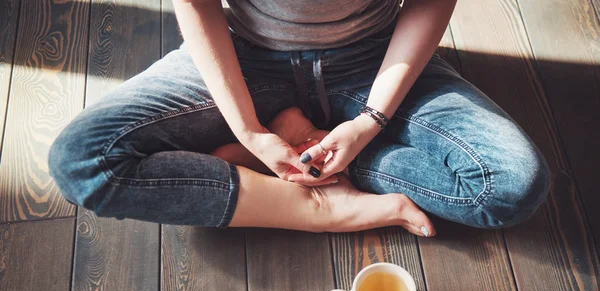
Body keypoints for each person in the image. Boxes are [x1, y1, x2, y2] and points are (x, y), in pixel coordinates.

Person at [48, 0, 551, 236]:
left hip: (373, 57)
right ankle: (322, 208)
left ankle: (303, 138)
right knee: (83, 160)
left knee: (510, 185)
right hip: (246, 56)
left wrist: (371, 120)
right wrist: (246, 126)